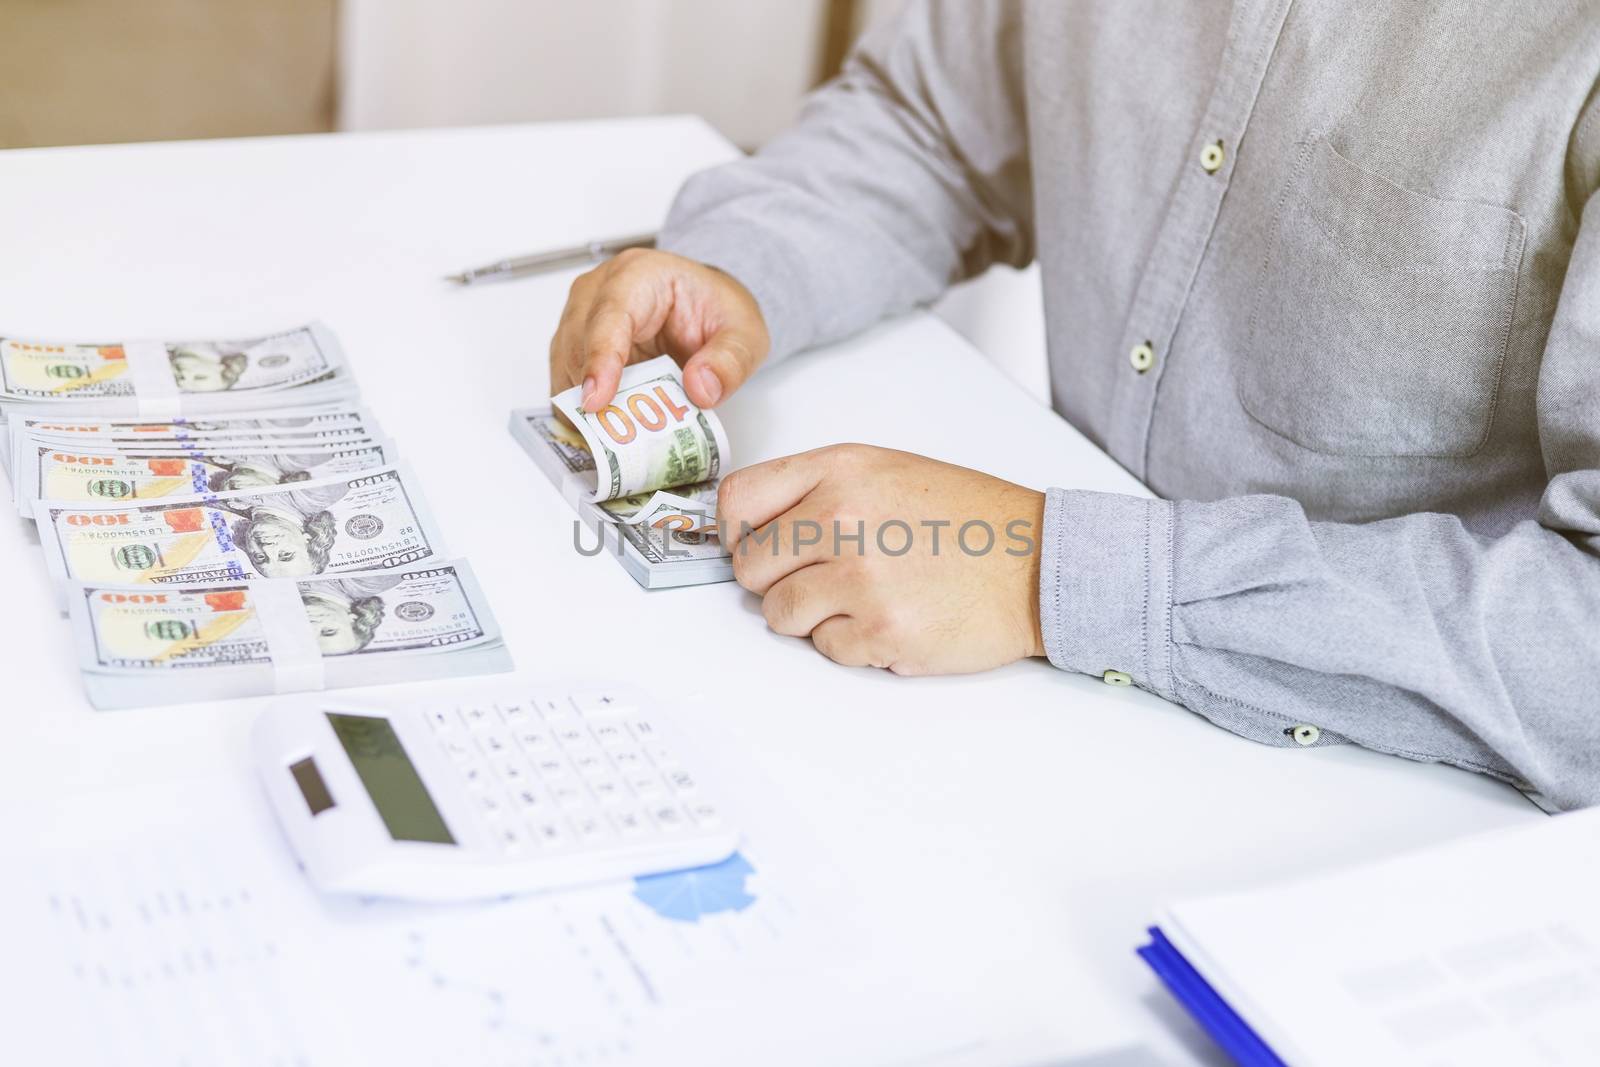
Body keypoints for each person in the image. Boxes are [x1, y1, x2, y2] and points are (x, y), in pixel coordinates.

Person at [547, 2, 1600, 810]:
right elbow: (931, 130)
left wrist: (1051, 569)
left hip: (1391, 825)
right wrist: (745, 264)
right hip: (1027, 728)